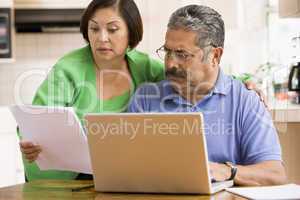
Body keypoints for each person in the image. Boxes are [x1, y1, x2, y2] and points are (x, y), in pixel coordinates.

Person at [19, 0, 267, 181]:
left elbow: (194, 71)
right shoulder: (67, 70)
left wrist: (242, 81)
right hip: (60, 177)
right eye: (94, 29)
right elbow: (36, 122)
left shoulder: (143, 66)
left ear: (131, 33)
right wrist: (31, 142)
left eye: (113, 29)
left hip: (107, 175)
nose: (102, 38)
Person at [127, 5, 287, 186]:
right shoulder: (145, 99)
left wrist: (226, 171)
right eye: (167, 51)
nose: (170, 63)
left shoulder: (245, 101)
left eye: (182, 54)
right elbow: (123, 166)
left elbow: (275, 175)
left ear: (215, 56)